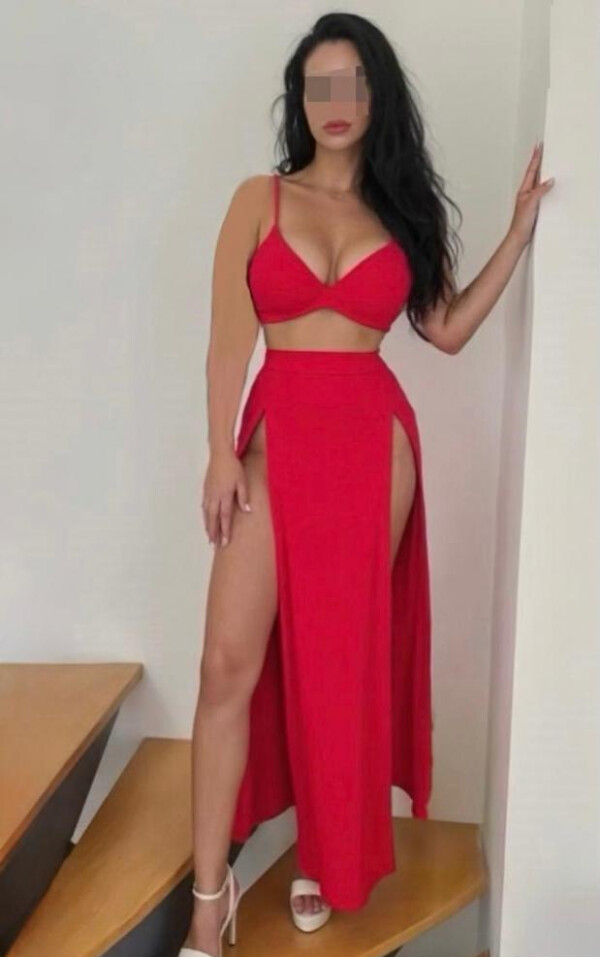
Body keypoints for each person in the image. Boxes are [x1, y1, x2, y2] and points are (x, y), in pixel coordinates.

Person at [179, 12, 553, 957]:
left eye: (351, 82)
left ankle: (324, 851)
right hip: (276, 441)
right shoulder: (258, 199)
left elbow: (447, 329)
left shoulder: (400, 213)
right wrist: (220, 451)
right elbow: (227, 342)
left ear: (376, 95)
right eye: (318, 85)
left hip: (371, 447)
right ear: (300, 101)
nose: (334, 102)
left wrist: (516, 236)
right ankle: (208, 899)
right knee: (226, 664)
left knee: (336, 662)